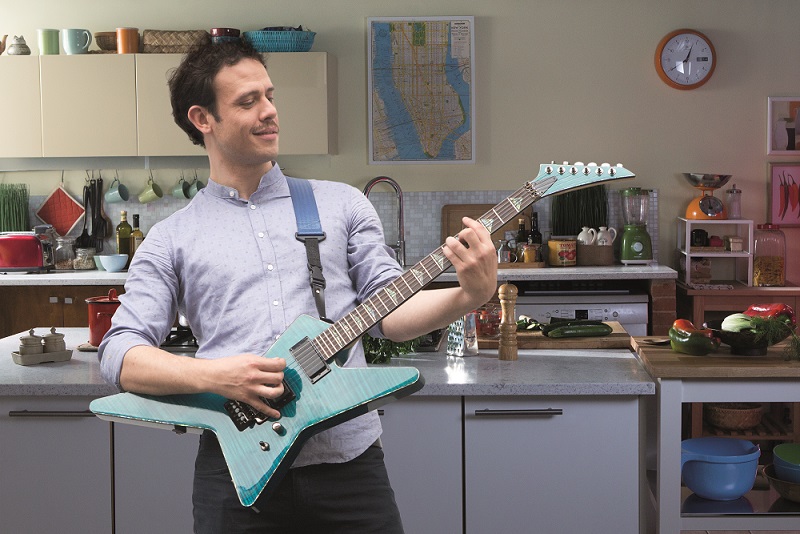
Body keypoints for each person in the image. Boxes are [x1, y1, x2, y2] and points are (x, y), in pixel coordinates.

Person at [98, 37, 497, 533]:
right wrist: (217, 377)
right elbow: (120, 354)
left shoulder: (342, 204)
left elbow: (390, 316)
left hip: (349, 466)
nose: (269, 111)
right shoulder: (171, 238)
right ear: (203, 119)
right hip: (237, 471)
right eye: (248, 101)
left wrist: (469, 295)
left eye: (269, 95)